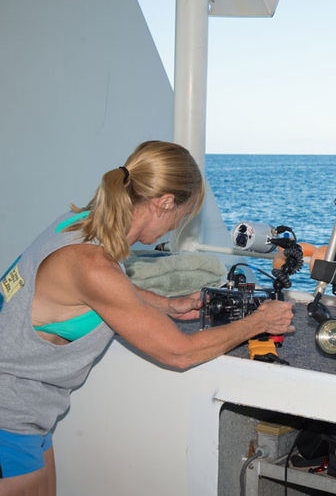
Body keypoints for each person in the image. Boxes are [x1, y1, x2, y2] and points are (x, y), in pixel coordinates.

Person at [0, 140, 294, 495]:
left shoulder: (81, 226)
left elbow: (104, 292)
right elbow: (178, 352)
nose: (176, 227)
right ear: (164, 203)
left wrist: (166, 305)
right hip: (8, 411)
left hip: (27, 411)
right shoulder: (92, 265)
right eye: (182, 216)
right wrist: (258, 322)